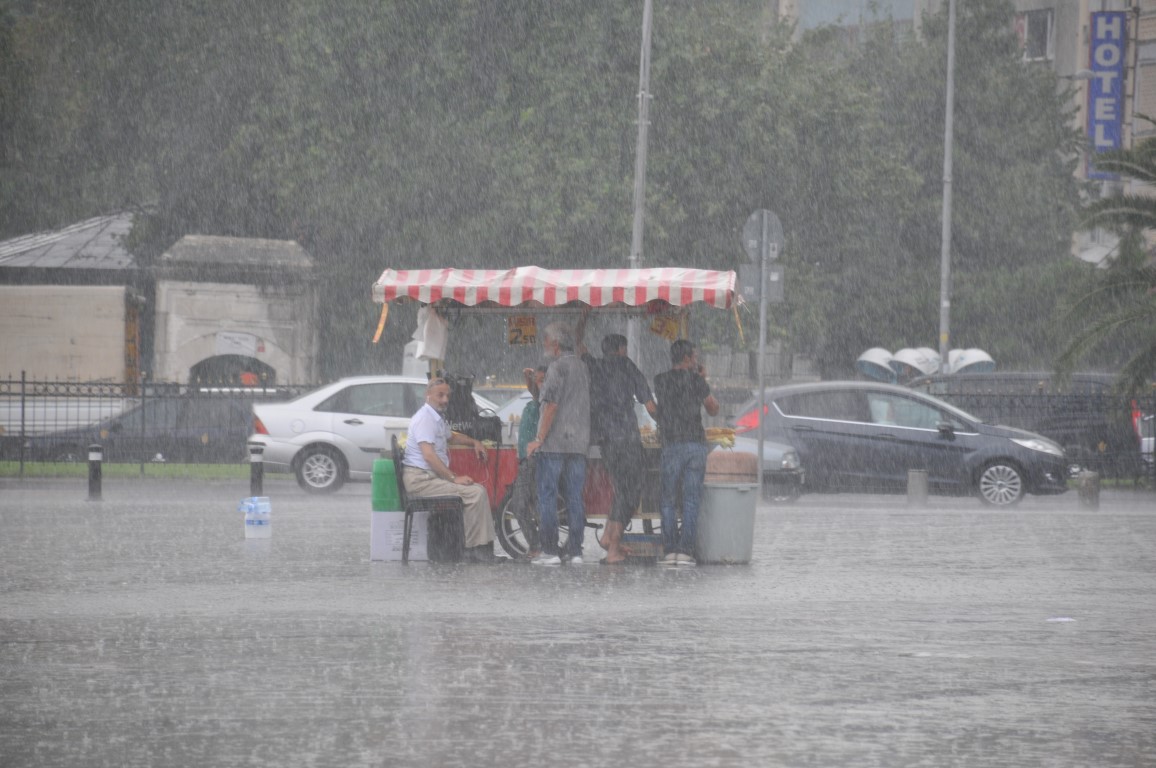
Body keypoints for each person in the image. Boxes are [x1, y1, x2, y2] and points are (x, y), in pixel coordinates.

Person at [577, 323, 656, 565]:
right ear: (622, 349)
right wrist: (667, 424)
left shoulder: (595, 366)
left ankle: (608, 536)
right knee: (631, 492)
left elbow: (578, 345)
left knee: (621, 490)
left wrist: (583, 318)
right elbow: (649, 405)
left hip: (606, 440)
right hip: (627, 437)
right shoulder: (627, 366)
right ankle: (613, 549)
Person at [402, 377, 503, 564]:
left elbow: (452, 437)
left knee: (478, 491)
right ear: (428, 395)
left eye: (447, 395)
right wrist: (453, 478)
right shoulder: (425, 419)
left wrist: (474, 442)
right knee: (475, 493)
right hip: (421, 481)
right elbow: (429, 455)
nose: (445, 400)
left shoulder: (436, 418)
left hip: (428, 479)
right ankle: (474, 550)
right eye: (440, 395)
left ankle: (482, 548)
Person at [526, 322, 590, 566]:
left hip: (554, 445)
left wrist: (538, 439)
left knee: (548, 497)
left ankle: (550, 550)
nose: (544, 345)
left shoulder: (556, 368)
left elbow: (551, 405)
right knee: (574, 497)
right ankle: (575, 551)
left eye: (545, 340)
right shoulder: (582, 366)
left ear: (555, 344)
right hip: (578, 443)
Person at [653, 339, 720, 566]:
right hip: (694, 445)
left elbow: (657, 408)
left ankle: (670, 549)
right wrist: (702, 380)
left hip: (671, 444)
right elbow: (713, 408)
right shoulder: (696, 381)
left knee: (668, 500)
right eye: (694, 357)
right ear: (687, 359)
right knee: (691, 500)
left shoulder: (660, 380)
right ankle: (686, 551)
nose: (696, 360)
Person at [509, 365, 547, 558]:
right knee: (532, 503)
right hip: (527, 459)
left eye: (541, 380)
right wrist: (529, 378)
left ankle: (537, 545)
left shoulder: (546, 403)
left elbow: (537, 391)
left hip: (533, 459)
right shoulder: (537, 400)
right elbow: (535, 390)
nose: (537, 384)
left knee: (519, 504)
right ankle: (541, 545)